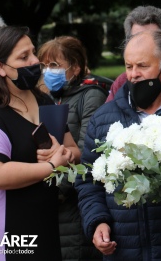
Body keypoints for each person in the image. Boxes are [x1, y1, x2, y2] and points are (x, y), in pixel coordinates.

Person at [75, 30, 161, 261]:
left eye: (142, 66)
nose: (133, 75)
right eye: (128, 66)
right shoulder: (105, 117)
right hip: (124, 250)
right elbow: (88, 180)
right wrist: (97, 221)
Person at [0, 26, 80, 261]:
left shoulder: (43, 100)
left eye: (32, 52)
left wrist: (63, 154)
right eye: (23, 57)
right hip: (4, 231)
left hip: (44, 222)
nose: (34, 61)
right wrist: (51, 166)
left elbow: (74, 151)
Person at [37, 36, 106, 261]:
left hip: (74, 201)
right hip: (45, 198)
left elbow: (90, 152)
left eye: (54, 65)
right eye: (44, 65)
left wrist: (56, 193)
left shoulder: (91, 95)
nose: (48, 71)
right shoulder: (44, 98)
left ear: (75, 68)